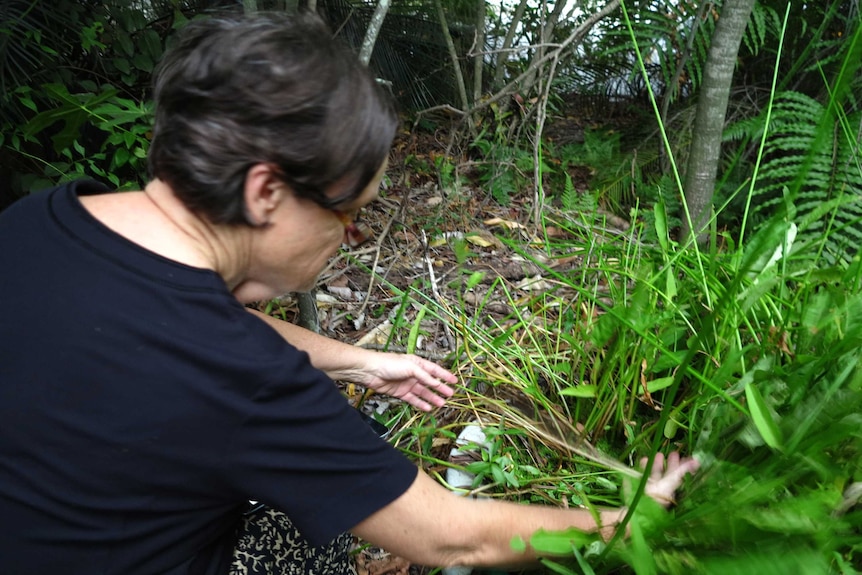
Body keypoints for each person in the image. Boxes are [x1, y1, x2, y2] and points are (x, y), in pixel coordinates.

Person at [0, 11, 699, 575]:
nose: (347, 236)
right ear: (266, 189)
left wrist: (361, 362)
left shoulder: (42, 220)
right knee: (314, 520)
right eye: (347, 215)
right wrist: (631, 516)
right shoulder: (244, 381)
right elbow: (455, 539)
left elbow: (182, 325)